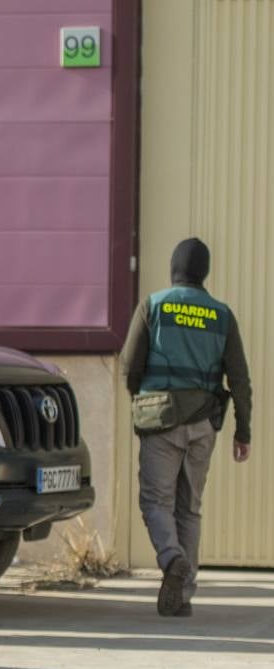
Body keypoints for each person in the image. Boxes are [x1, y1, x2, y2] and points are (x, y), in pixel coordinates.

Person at [121, 237, 252, 616]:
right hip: (203, 425)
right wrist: (243, 432)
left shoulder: (154, 305)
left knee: (155, 500)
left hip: (160, 418)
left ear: (174, 268)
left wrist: (140, 398)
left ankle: (171, 557)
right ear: (204, 272)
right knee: (189, 508)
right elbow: (240, 380)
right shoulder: (221, 315)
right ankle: (185, 594)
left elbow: (131, 365)